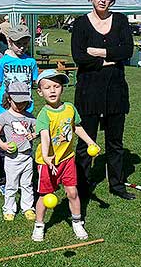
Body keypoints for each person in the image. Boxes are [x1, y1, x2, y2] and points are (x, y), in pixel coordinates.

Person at [71, 0, 135, 200]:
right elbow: (79, 56)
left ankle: (117, 185)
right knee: (85, 142)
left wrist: (98, 52)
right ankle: (81, 186)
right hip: (89, 92)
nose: (103, 0)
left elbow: (127, 51)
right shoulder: (80, 23)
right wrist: (109, 58)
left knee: (115, 142)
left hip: (116, 91)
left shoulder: (121, 21)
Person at [31, 69, 98, 242]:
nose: (52, 90)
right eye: (47, 87)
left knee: (72, 192)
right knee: (45, 196)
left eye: (56, 86)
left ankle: (77, 222)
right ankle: (39, 225)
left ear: (62, 88)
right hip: (47, 162)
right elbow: (44, 136)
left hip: (67, 159)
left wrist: (91, 142)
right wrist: (46, 156)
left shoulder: (69, 108)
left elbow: (77, 127)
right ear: (40, 92)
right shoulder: (43, 115)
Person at [0, 25, 39, 195]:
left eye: (25, 44)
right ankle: (5, 180)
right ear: (9, 41)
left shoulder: (31, 62)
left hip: (26, 111)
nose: (22, 47)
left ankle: (24, 178)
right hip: (6, 111)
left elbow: (35, 84)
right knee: (5, 146)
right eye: (18, 43)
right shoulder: (3, 62)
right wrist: (2, 105)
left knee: (24, 144)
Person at [0, 82, 36, 221]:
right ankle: (9, 209)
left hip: (27, 156)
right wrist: (3, 145)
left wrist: (33, 135)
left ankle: (28, 208)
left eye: (23, 102)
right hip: (11, 158)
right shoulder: (4, 116)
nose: (20, 105)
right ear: (9, 99)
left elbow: (39, 130)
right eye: (17, 102)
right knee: (11, 185)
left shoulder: (29, 117)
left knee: (27, 184)